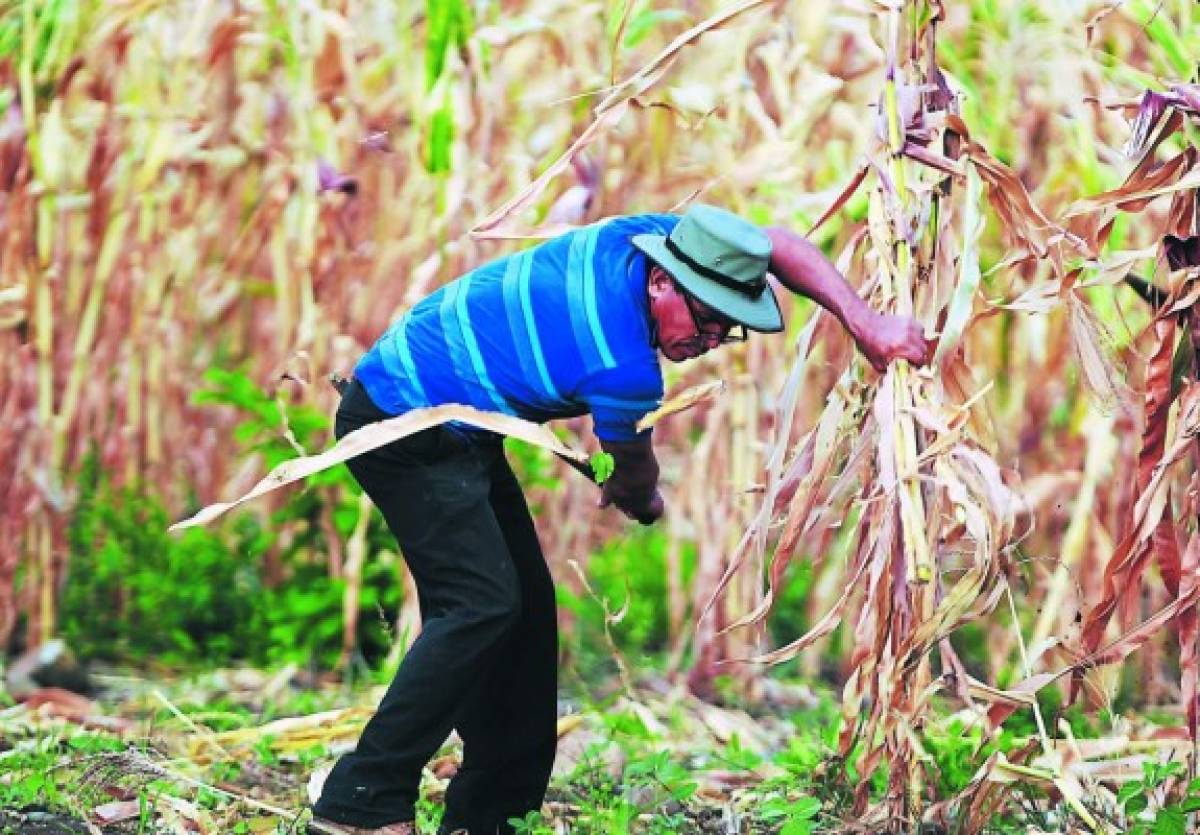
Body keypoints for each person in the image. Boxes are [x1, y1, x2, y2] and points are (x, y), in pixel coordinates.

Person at [309, 204, 930, 835]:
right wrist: (642, 498)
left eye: (726, 329)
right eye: (707, 319)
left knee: (520, 609)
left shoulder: (644, 238)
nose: (708, 341)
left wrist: (866, 322)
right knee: (480, 604)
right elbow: (634, 476)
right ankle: (358, 804)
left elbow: (774, 244)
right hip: (399, 421)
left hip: (458, 427)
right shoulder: (622, 363)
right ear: (661, 281)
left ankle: (490, 818)